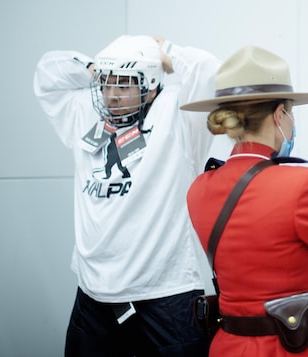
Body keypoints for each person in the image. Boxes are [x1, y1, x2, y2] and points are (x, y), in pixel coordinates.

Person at [181, 45, 308, 356]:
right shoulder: (304, 183)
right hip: (298, 346)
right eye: (290, 112)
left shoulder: (200, 187)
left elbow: (263, 225)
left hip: (230, 346)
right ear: (279, 114)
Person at [33, 34, 222, 356]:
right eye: (107, 84)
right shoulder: (86, 113)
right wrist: (96, 68)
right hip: (94, 291)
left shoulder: (176, 114)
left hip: (165, 291)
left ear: (149, 85)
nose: (112, 96)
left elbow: (210, 72)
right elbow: (47, 72)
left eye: (124, 85)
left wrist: (168, 54)